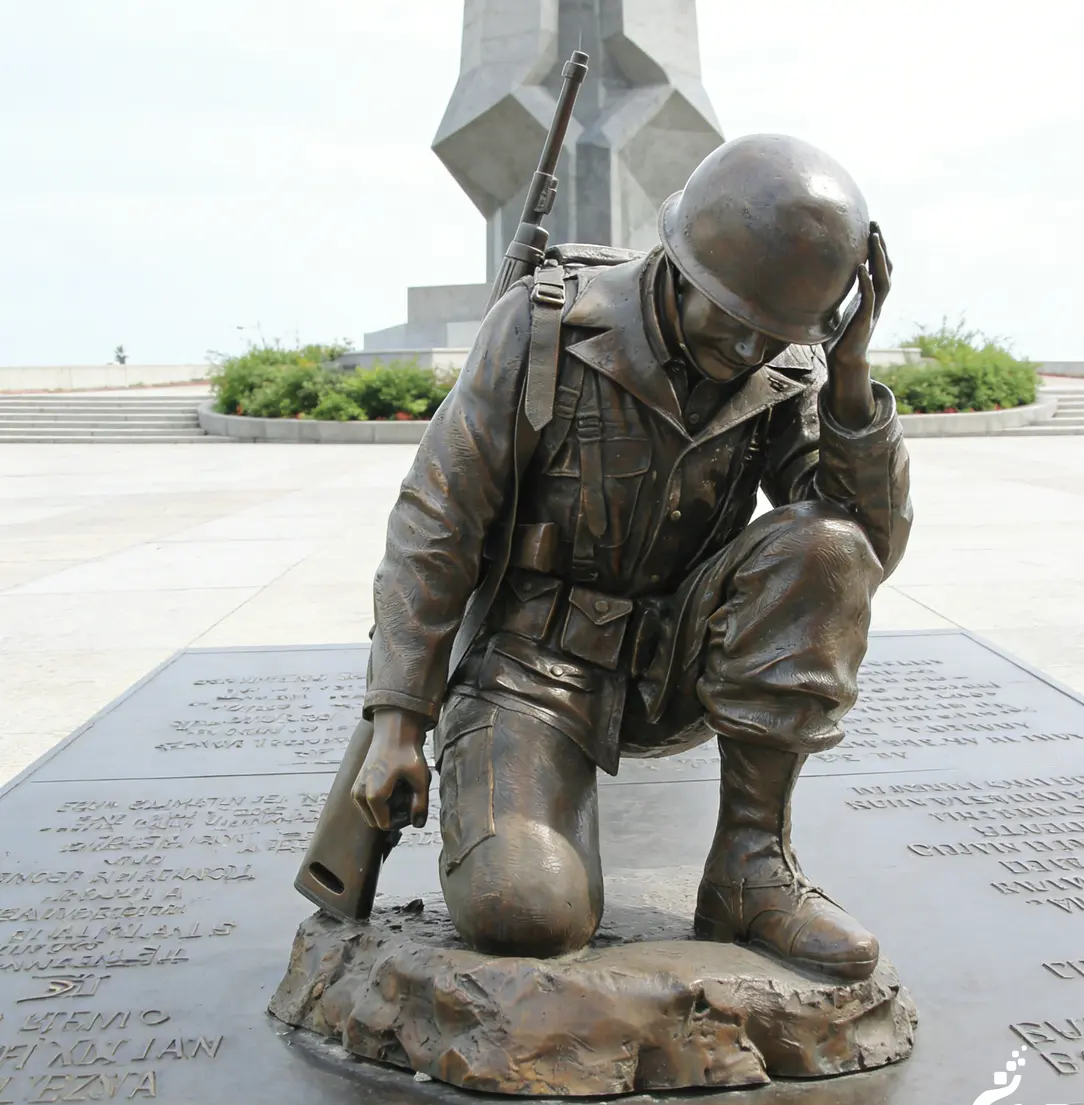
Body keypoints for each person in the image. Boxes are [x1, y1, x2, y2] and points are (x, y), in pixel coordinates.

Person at [351, 134, 912, 980]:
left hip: (673, 667)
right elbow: (438, 520)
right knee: (528, 914)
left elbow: (868, 545)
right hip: (528, 669)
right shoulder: (544, 324)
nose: (751, 352)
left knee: (823, 545)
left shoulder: (787, 363)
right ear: (681, 263)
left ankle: (751, 871)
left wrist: (849, 376)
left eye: (775, 333)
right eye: (734, 323)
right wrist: (397, 721)